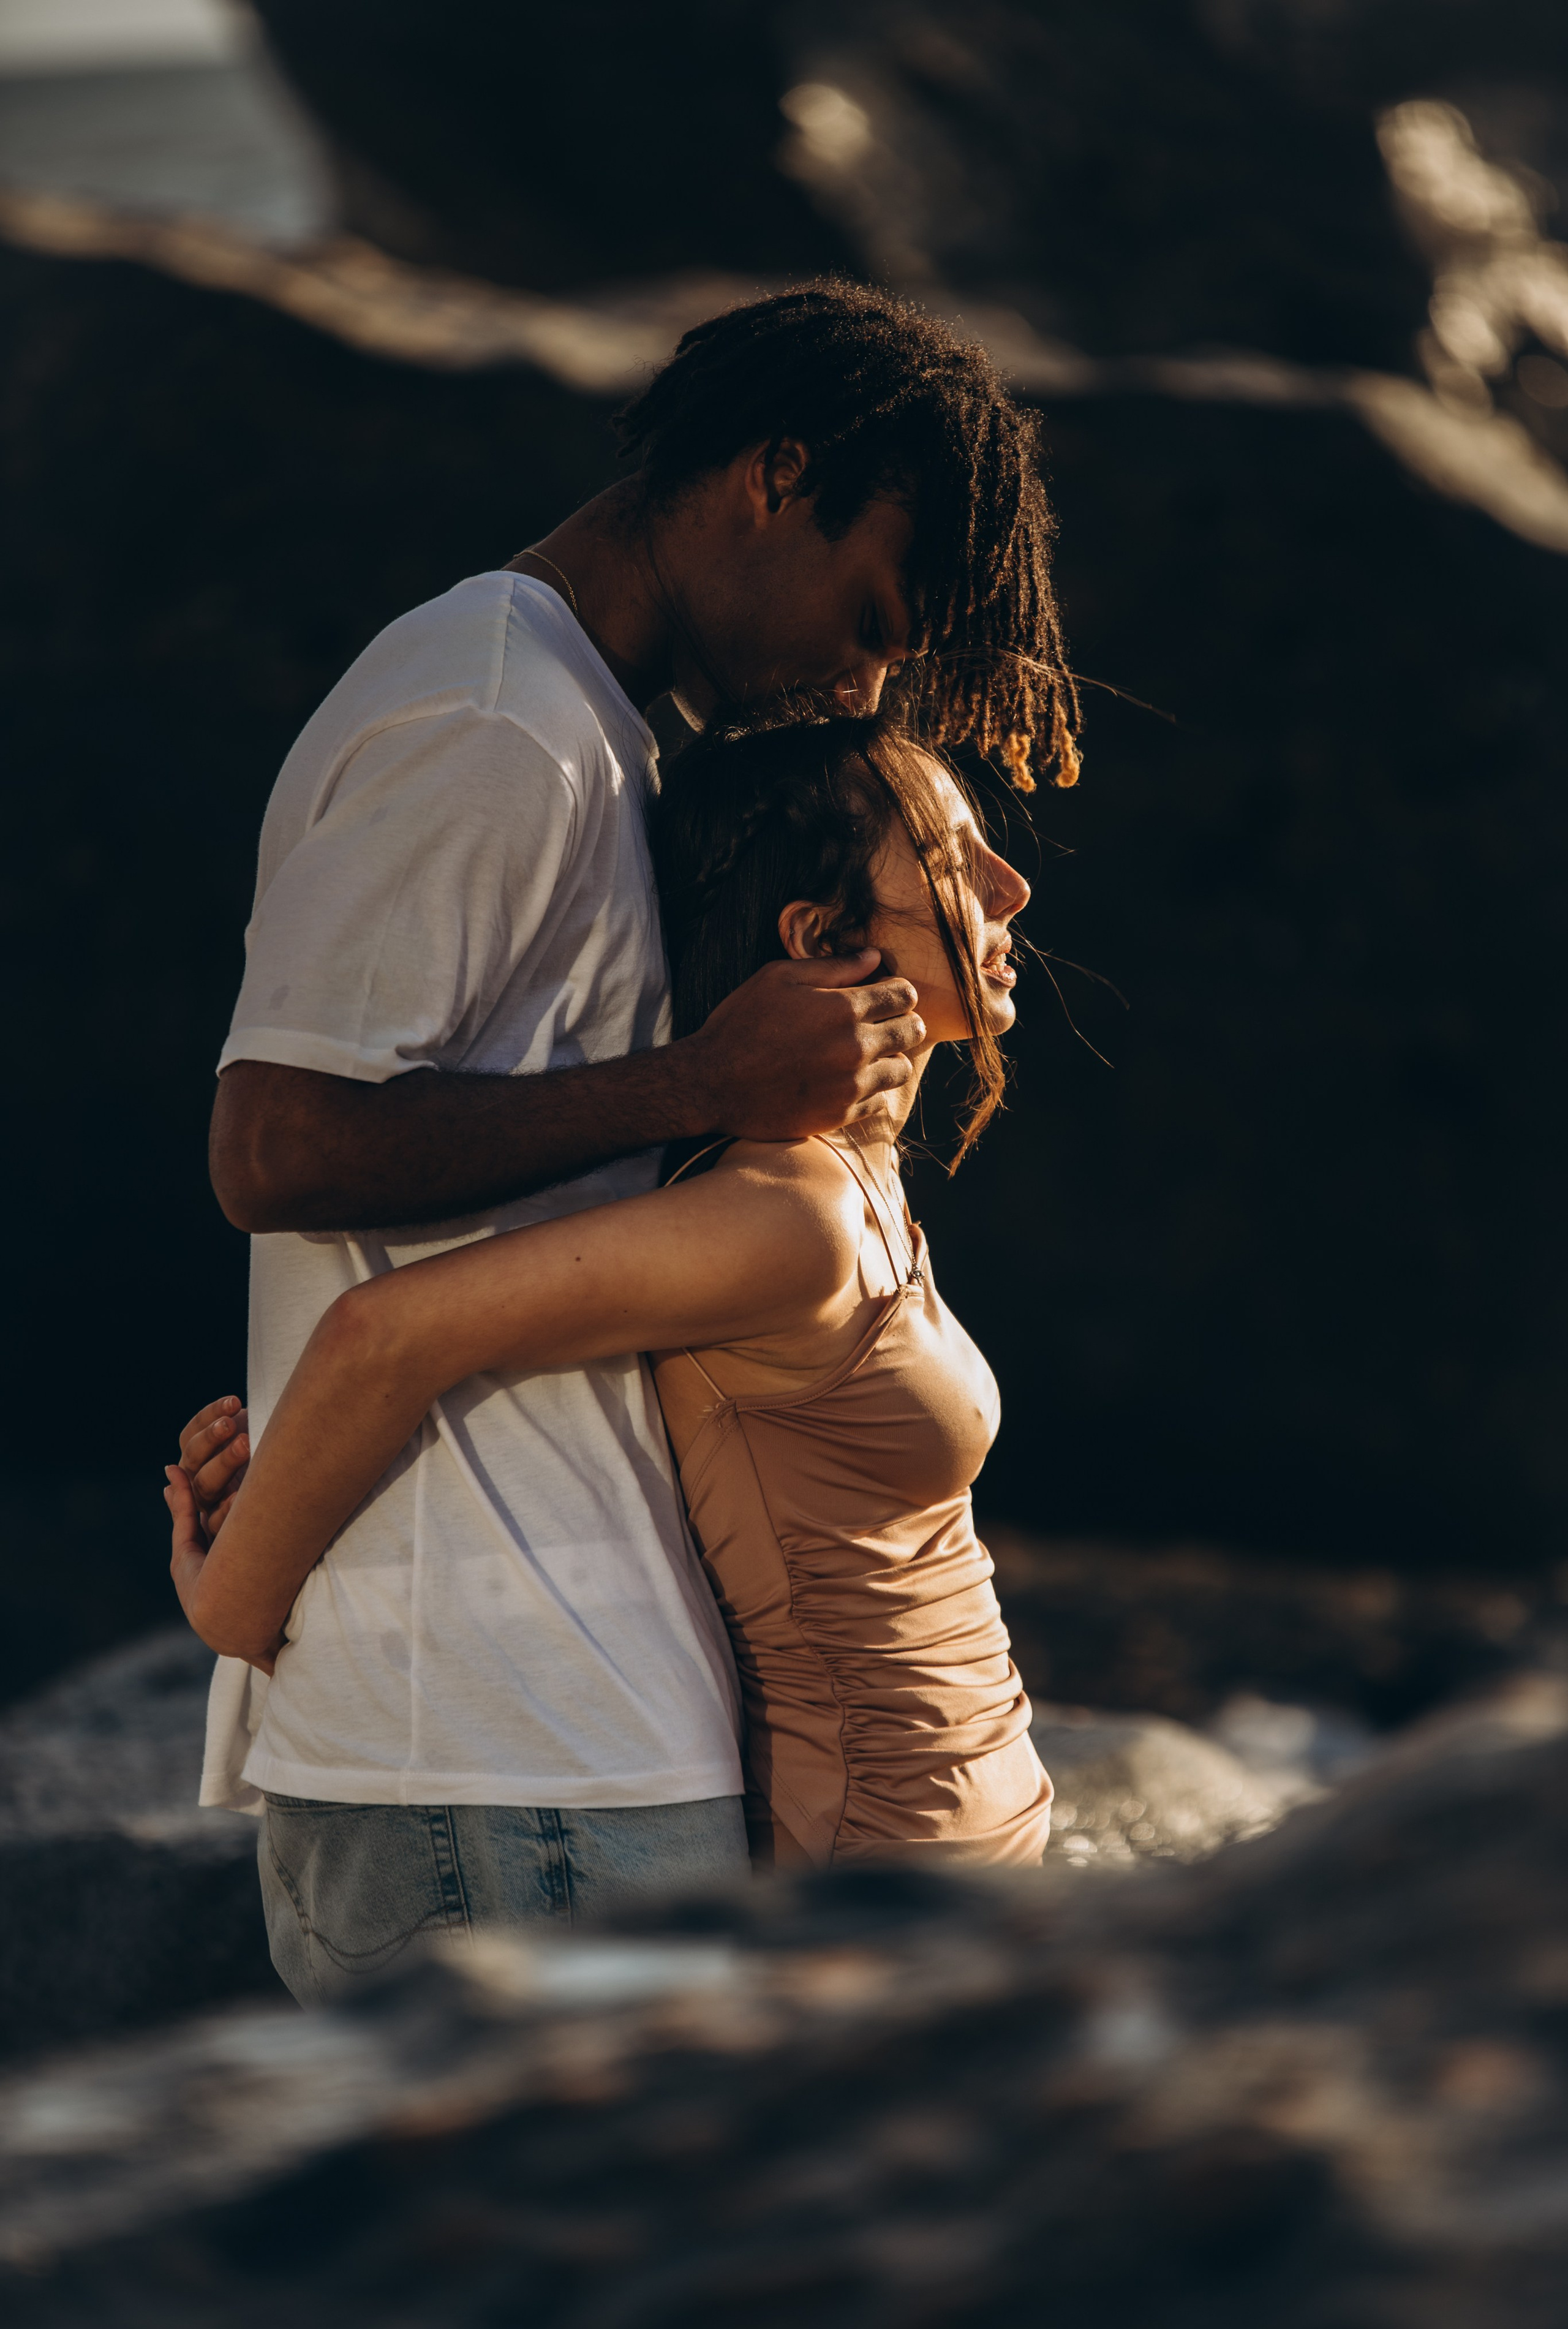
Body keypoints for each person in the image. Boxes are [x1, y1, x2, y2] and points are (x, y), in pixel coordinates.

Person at [175, 282, 1080, 1990]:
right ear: (772, 477)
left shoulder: (592, 732)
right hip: (504, 1762)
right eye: (876, 610)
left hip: (553, 1739)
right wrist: (698, 1088)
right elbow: (274, 1151)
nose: (869, 676)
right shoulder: (495, 717)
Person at [169, 711, 1052, 1936]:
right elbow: (386, 1334)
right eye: (952, 863)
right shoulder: (781, 1216)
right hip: (866, 1887)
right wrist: (229, 1608)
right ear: (820, 938)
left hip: (958, 1855)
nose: (1009, 883)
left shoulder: (850, 1181)